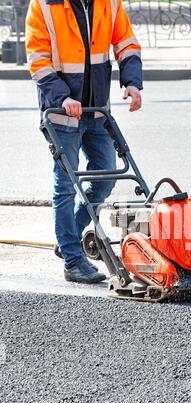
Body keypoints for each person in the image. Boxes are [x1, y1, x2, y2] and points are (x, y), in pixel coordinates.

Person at [25, 0, 142, 284]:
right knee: (65, 185)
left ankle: (69, 239)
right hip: (62, 113)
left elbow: (126, 43)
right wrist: (62, 96)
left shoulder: (108, 3)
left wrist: (132, 82)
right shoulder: (43, 5)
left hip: (97, 110)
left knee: (105, 177)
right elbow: (37, 59)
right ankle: (73, 260)